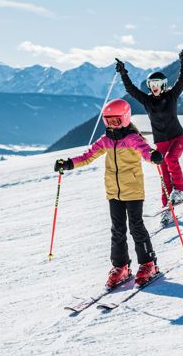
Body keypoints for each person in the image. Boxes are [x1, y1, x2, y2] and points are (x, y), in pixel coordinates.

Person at [54, 98, 163, 287]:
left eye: (116, 121)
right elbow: (88, 156)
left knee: (136, 227)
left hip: (133, 191)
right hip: (113, 192)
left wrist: (153, 156)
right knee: (117, 229)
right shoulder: (105, 141)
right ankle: (121, 266)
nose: (112, 125)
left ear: (125, 119)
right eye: (108, 121)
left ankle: (148, 263)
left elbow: (145, 151)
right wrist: (69, 163)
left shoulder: (132, 139)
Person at [115, 47, 183, 226]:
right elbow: (132, 90)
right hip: (161, 142)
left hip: (177, 138)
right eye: (152, 85)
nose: (155, 88)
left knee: (171, 159)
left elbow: (182, 80)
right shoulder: (148, 101)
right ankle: (168, 209)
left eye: (158, 84)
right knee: (164, 174)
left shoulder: (171, 95)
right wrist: (123, 73)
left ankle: (179, 189)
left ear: (163, 85)